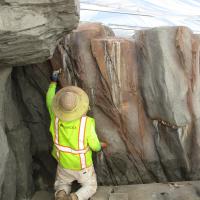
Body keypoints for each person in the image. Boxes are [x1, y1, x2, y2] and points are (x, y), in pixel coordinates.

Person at [46, 69, 107, 200]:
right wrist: (100, 146)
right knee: (90, 186)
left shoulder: (54, 118)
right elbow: (95, 145)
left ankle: (61, 194)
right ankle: (73, 197)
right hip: (82, 166)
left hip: (63, 163)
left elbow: (50, 100)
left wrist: (53, 82)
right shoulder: (87, 123)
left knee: (62, 183)